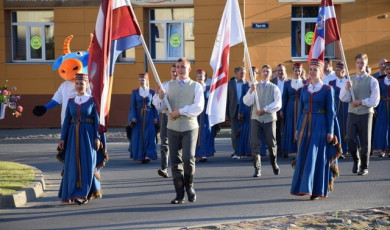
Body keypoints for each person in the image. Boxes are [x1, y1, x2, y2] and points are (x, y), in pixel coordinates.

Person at [153, 57, 204, 204]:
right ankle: (179, 193)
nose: (180, 69)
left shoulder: (196, 86)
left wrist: (180, 111)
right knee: (175, 161)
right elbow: (159, 106)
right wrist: (160, 97)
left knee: (188, 158)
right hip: (172, 128)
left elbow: (199, 106)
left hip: (189, 127)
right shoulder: (167, 86)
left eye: (183, 67)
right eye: (178, 67)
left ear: (189, 69)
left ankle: (189, 186)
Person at [290, 59, 339, 200]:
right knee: (304, 156)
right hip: (305, 125)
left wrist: (330, 131)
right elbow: (300, 111)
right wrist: (297, 128)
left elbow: (331, 112)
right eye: (310, 69)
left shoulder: (327, 89)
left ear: (321, 72)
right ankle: (304, 187)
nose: (312, 72)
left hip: (320, 125)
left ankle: (316, 190)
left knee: (316, 156)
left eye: (315, 69)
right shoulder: (304, 89)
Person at [57, 73, 103, 205]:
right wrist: (62, 138)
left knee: (87, 163)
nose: (79, 86)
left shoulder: (93, 101)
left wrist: (97, 137)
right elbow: (66, 121)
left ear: (87, 84)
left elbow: (97, 121)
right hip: (72, 136)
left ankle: (85, 193)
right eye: (77, 83)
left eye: (82, 83)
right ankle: (73, 192)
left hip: (88, 136)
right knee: (72, 164)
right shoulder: (71, 101)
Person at [340, 53, 380, 176]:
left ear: (366, 64)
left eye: (362, 62)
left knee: (365, 142)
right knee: (350, 138)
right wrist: (346, 88)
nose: (360, 65)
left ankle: (364, 166)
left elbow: (375, 100)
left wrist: (361, 102)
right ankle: (356, 159)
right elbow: (343, 98)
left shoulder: (372, 81)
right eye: (358, 62)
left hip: (366, 113)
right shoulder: (349, 80)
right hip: (352, 113)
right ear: (355, 64)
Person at [243, 64, 282, 177]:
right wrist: (250, 91)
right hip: (256, 119)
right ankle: (257, 168)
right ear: (261, 73)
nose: (265, 73)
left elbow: (278, 104)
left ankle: (274, 162)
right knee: (255, 143)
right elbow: (246, 101)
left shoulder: (274, 88)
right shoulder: (255, 86)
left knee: (271, 143)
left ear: (271, 74)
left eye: (268, 72)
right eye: (264, 71)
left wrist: (265, 109)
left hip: (269, 119)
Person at [127, 73, 159, 163]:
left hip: (150, 115)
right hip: (138, 116)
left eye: (143, 80)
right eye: (140, 80)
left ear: (147, 80)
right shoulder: (135, 92)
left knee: (150, 135)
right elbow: (132, 106)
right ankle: (140, 155)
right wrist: (132, 117)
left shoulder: (152, 92)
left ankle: (148, 155)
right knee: (138, 136)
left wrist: (156, 117)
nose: (141, 82)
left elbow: (155, 106)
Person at [280, 63, 305, 158]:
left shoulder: (305, 82)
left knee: (300, 126)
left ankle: (299, 149)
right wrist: (282, 110)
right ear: (293, 71)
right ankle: (288, 149)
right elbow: (284, 97)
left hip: (301, 107)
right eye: (296, 70)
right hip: (290, 107)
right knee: (289, 127)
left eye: (299, 70)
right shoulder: (287, 83)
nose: (297, 72)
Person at [156, 64, 177, 178]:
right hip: (166, 117)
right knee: (164, 142)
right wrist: (160, 98)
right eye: (173, 71)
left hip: (179, 117)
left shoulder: (183, 86)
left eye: (176, 71)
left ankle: (178, 168)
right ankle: (164, 168)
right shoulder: (164, 86)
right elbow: (158, 106)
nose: (174, 73)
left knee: (178, 144)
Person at [328, 62, 349, 159]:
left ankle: (346, 149)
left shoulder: (348, 81)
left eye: (338, 70)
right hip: (336, 106)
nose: (336, 71)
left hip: (346, 106)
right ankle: (337, 149)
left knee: (346, 127)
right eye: (336, 69)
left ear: (343, 71)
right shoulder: (331, 83)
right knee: (337, 127)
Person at [195, 69, 215, 162]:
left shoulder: (209, 88)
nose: (199, 78)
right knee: (196, 133)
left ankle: (205, 153)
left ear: (205, 78)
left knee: (206, 132)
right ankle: (197, 153)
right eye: (198, 76)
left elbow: (213, 101)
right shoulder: (194, 88)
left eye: (201, 76)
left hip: (206, 113)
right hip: (196, 114)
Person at [227, 66, 246, 158]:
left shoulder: (248, 84)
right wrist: (226, 114)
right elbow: (226, 100)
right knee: (234, 132)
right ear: (236, 74)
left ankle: (243, 151)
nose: (243, 75)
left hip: (245, 110)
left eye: (244, 73)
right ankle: (236, 151)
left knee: (244, 131)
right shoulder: (229, 84)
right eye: (241, 73)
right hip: (233, 110)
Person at [372, 61, 390, 157]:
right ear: (384, 70)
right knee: (382, 127)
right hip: (382, 106)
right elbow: (376, 95)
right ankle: (382, 150)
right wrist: (375, 107)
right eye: (387, 69)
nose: (388, 71)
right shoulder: (380, 81)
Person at [271, 64, 289, 158]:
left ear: (285, 71)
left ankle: (286, 150)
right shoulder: (272, 82)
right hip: (275, 110)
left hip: (287, 109)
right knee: (276, 131)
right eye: (278, 70)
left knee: (286, 130)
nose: (280, 72)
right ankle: (278, 151)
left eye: (281, 70)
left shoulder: (289, 81)